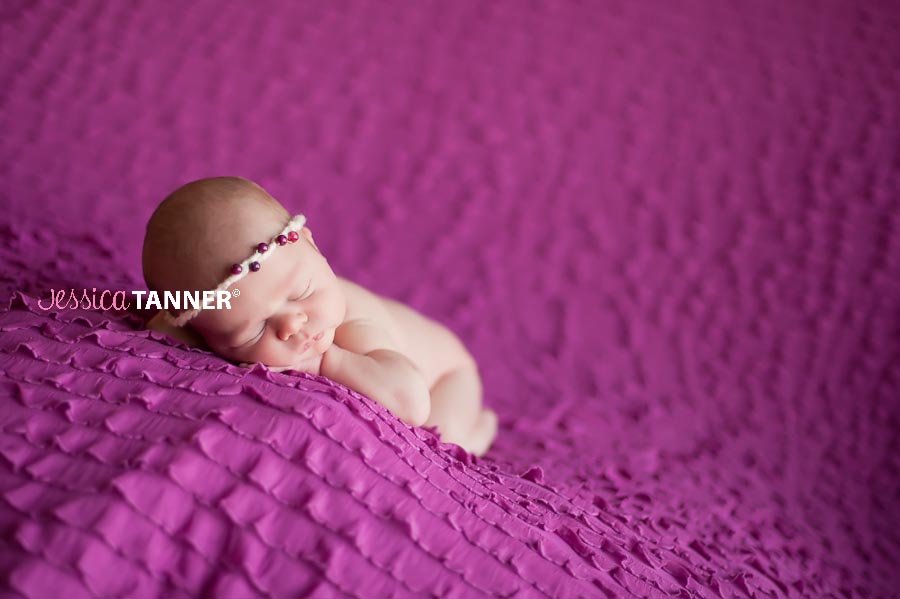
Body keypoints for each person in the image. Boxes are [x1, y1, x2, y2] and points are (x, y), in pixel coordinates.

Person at [142, 176, 498, 456]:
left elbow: (412, 403)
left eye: (301, 294)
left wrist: (329, 359)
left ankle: (479, 432)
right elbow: (167, 327)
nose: (292, 325)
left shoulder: (353, 324)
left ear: (311, 244)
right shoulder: (216, 316)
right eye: (254, 331)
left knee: (441, 438)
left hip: (447, 374)